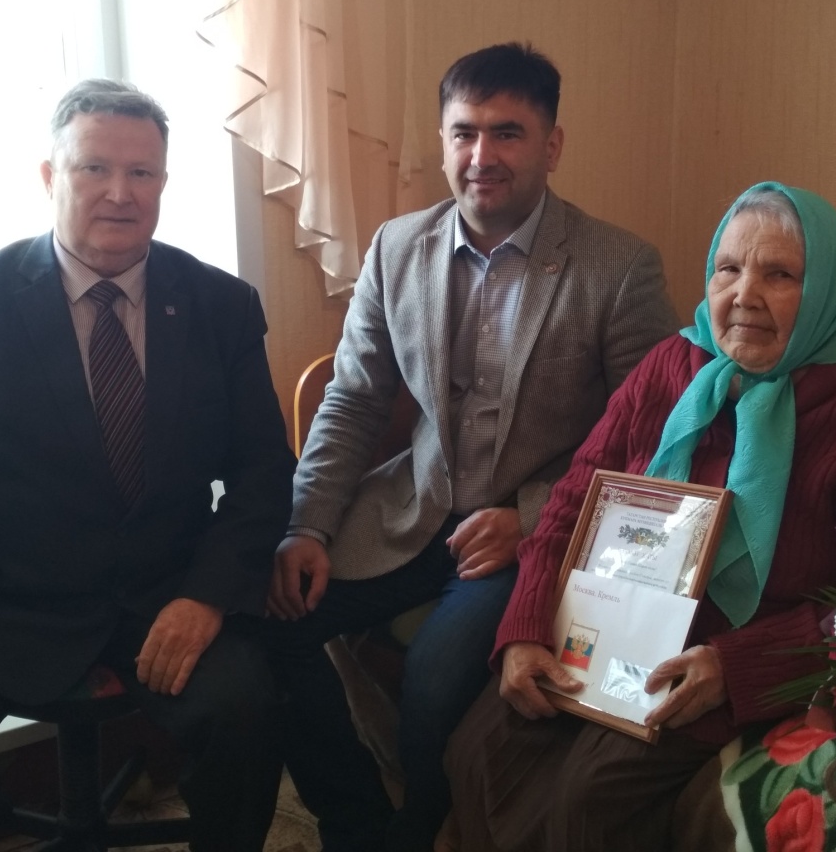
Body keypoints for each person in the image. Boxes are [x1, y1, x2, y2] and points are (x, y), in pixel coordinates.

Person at [0, 79, 295, 852]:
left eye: (141, 172)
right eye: (94, 168)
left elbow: (261, 471)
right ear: (51, 176)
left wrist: (208, 594)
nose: (120, 193)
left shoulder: (220, 305)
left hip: (165, 593)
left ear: (162, 182)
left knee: (248, 710)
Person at [265, 42, 681, 852]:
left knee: (435, 680)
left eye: (507, 133)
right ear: (443, 141)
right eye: (463, 133)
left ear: (551, 145)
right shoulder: (396, 247)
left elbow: (650, 440)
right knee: (271, 618)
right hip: (412, 507)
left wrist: (533, 519)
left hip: (528, 535)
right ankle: (358, 821)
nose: (480, 156)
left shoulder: (618, 267)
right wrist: (306, 525)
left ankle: (421, 830)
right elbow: (353, 400)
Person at [448, 182, 836, 851]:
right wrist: (526, 628)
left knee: (589, 802)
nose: (744, 295)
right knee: (476, 753)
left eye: (779, 275)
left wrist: (736, 668)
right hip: (613, 629)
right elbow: (574, 498)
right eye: (728, 268)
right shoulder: (673, 365)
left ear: (827, 287)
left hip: (739, 655)